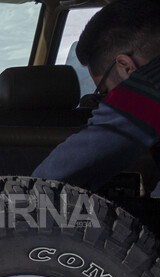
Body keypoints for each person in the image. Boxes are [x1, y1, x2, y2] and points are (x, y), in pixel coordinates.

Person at [34, 0, 160, 190]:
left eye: (106, 92)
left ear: (126, 67)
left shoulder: (148, 86)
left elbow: (46, 181)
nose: (108, 101)